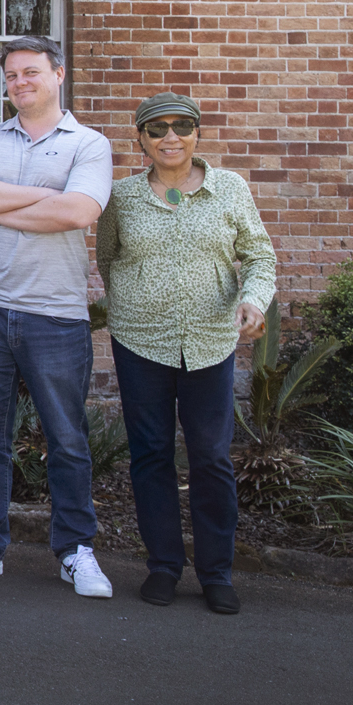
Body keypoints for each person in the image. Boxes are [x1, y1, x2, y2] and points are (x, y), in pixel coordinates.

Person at [0, 36, 116, 598]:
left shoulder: (89, 144)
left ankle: (74, 550)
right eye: (12, 75)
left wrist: (2, 199)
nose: (20, 83)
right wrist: (40, 197)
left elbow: (79, 211)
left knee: (66, 437)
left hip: (56, 314)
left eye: (31, 73)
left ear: (58, 74)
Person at [97, 92, 274, 615]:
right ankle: (164, 566)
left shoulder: (229, 190)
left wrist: (252, 300)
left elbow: (260, 255)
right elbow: (109, 260)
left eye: (182, 126)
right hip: (139, 342)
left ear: (197, 133)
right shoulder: (121, 198)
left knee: (211, 457)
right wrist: (139, 303)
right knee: (150, 455)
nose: (170, 136)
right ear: (141, 141)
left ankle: (216, 572)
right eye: (157, 129)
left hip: (209, 343)